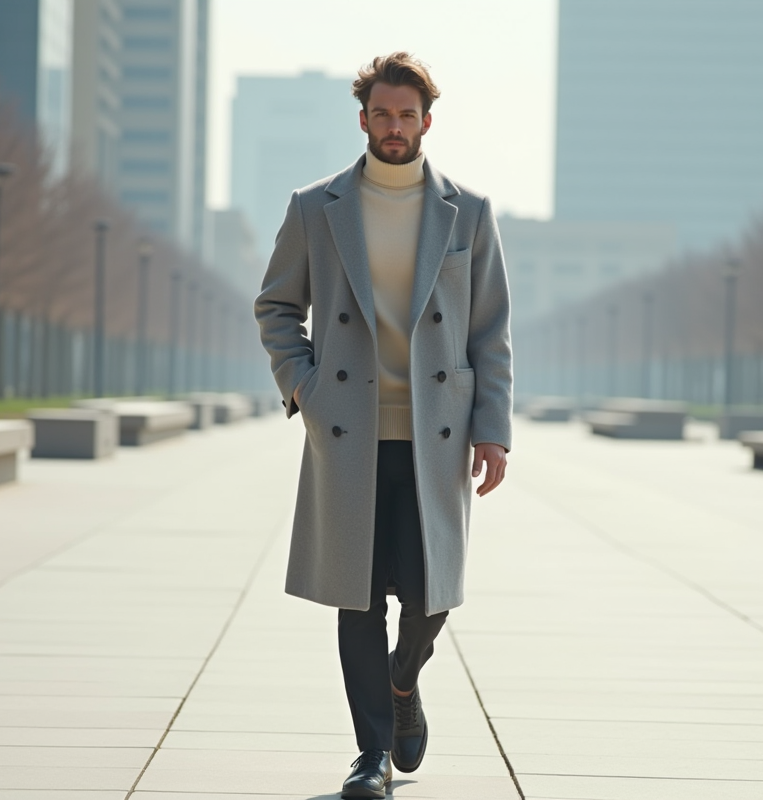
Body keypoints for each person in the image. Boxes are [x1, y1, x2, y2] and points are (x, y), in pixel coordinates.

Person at [254, 51, 513, 799]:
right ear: (362, 119)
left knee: (433, 595)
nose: (393, 127)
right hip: (349, 435)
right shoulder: (316, 207)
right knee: (358, 597)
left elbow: (489, 330)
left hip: (438, 435)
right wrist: (304, 388)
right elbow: (276, 305)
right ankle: (369, 756)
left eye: (406, 115)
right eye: (381, 114)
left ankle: (405, 685)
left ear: (426, 121)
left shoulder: (469, 211)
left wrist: (492, 428)